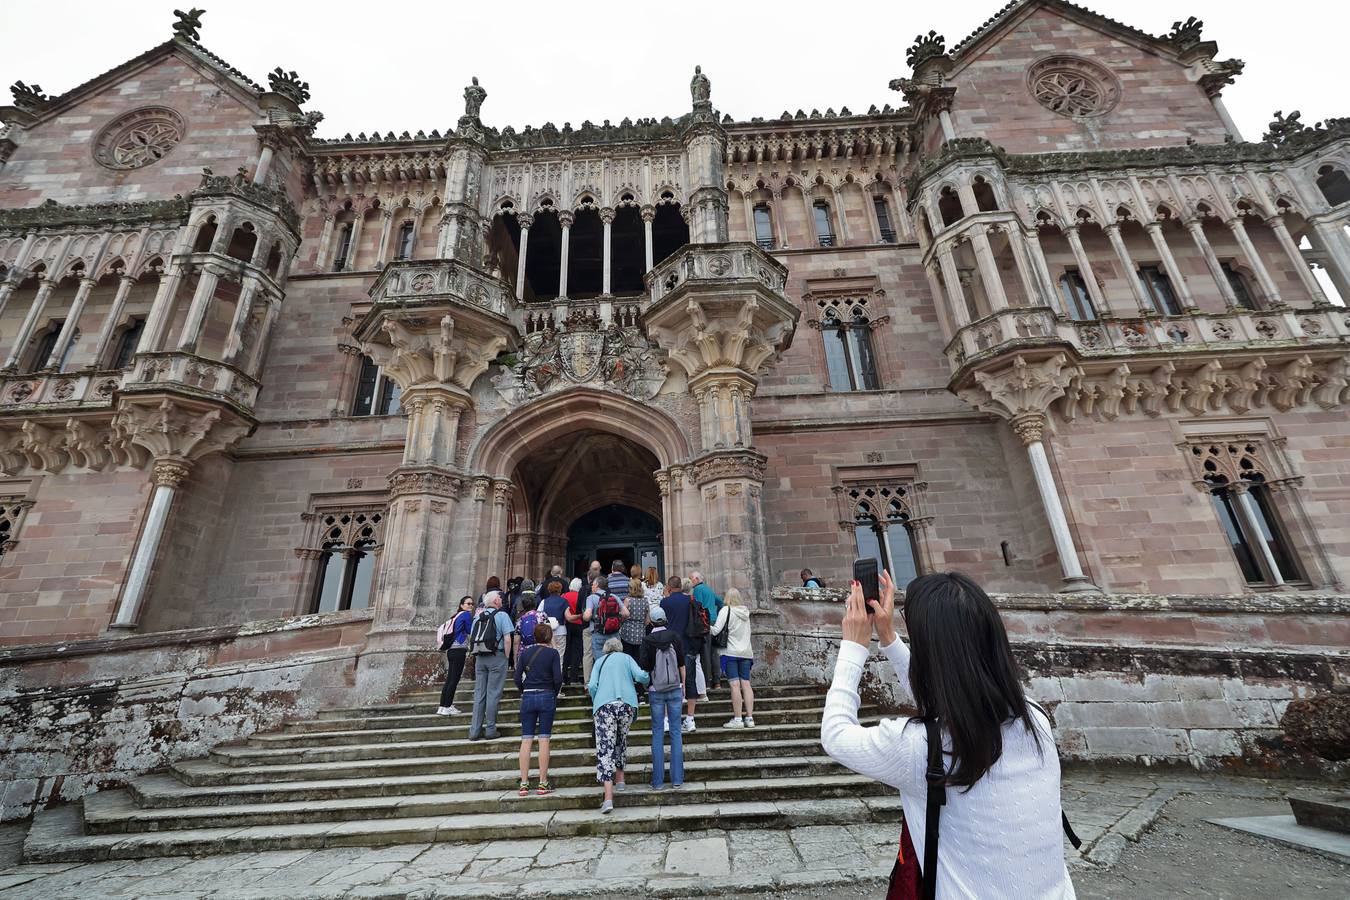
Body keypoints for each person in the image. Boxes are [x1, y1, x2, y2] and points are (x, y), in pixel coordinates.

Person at [821, 571, 1076, 900]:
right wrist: (890, 639)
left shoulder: (919, 747)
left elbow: (836, 735)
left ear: (930, 653)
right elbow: (954, 697)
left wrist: (853, 647)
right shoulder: (1035, 718)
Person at [588, 636, 649, 813]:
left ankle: (608, 798)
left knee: (605, 748)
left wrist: (596, 699)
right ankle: (620, 780)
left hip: (604, 707)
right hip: (626, 705)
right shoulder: (627, 658)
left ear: (606, 648)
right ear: (620, 647)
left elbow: (592, 685)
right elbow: (641, 676)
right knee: (621, 740)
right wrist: (647, 678)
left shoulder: (600, 661)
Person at [515, 620, 563, 797]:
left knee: (526, 739)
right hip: (546, 694)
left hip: (528, 695)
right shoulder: (552, 653)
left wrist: (523, 690)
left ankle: (524, 783)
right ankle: (542, 782)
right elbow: (558, 678)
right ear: (549, 637)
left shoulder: (526, 653)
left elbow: (517, 677)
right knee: (544, 739)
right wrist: (554, 692)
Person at [640, 605, 685, 790]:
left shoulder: (647, 640)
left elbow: (644, 666)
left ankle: (658, 781)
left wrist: (646, 686)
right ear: (665, 619)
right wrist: (683, 686)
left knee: (657, 732)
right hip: (675, 688)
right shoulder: (675, 637)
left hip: (655, 690)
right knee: (676, 732)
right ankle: (677, 779)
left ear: (651, 620)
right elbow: (682, 663)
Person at [467, 590, 517, 741]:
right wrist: (507, 658)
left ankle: (474, 731)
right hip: (497, 656)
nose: (502, 601)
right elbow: (508, 639)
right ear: (496, 602)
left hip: (480, 658)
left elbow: (472, 637)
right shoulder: (502, 615)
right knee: (493, 694)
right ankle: (490, 729)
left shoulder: (477, 618)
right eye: (500, 599)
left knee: (479, 693)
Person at [659, 576, 700, 734]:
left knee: (669, 682)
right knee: (690, 682)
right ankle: (690, 719)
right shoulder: (690, 600)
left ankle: (668, 719)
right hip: (688, 645)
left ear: (669, 587)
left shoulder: (665, 602)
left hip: (670, 647)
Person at [710, 588, 755, 728]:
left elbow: (716, 630)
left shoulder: (726, 610)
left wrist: (705, 625)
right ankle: (749, 718)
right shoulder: (745, 612)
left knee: (734, 685)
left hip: (730, 652)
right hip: (746, 652)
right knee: (746, 684)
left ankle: (737, 719)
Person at [435, 595, 475, 716]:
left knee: (449, 679)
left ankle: (443, 706)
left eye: (472, 604)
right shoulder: (466, 615)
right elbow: (470, 630)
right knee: (454, 679)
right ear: (462, 605)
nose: (471, 606)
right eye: (468, 604)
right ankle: (447, 706)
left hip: (451, 650)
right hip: (459, 650)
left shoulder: (455, 616)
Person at [689, 571, 723, 692]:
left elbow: (696, 607)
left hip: (704, 623)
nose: (690, 581)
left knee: (705, 653)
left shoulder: (697, 590)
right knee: (714, 653)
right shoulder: (709, 589)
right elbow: (721, 602)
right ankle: (717, 682)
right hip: (714, 621)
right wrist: (717, 614)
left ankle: (707, 682)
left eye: (691, 579)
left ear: (697, 579)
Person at [585, 574, 627, 669]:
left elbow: (587, 616)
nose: (592, 586)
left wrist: (589, 616)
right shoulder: (614, 597)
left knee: (601, 664)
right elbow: (626, 613)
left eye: (593, 584)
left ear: (597, 585)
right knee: (616, 664)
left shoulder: (591, 598)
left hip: (598, 634)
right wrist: (618, 620)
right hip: (614, 634)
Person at [539, 580, 569, 697]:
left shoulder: (544, 602)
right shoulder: (564, 601)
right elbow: (568, 617)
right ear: (560, 590)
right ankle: (557, 689)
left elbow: (539, 617)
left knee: (546, 659)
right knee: (559, 660)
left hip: (547, 633)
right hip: (561, 631)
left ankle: (546, 687)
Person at [619, 575, 648, 663]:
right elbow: (647, 620)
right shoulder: (645, 601)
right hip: (641, 635)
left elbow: (622, 617)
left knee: (628, 659)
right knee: (638, 660)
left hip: (627, 634)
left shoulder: (628, 600)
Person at [562, 577, 585, 685]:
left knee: (566, 651)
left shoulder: (564, 596)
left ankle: (564, 676)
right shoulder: (581, 596)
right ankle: (573, 678)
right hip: (579, 625)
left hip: (567, 625)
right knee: (576, 652)